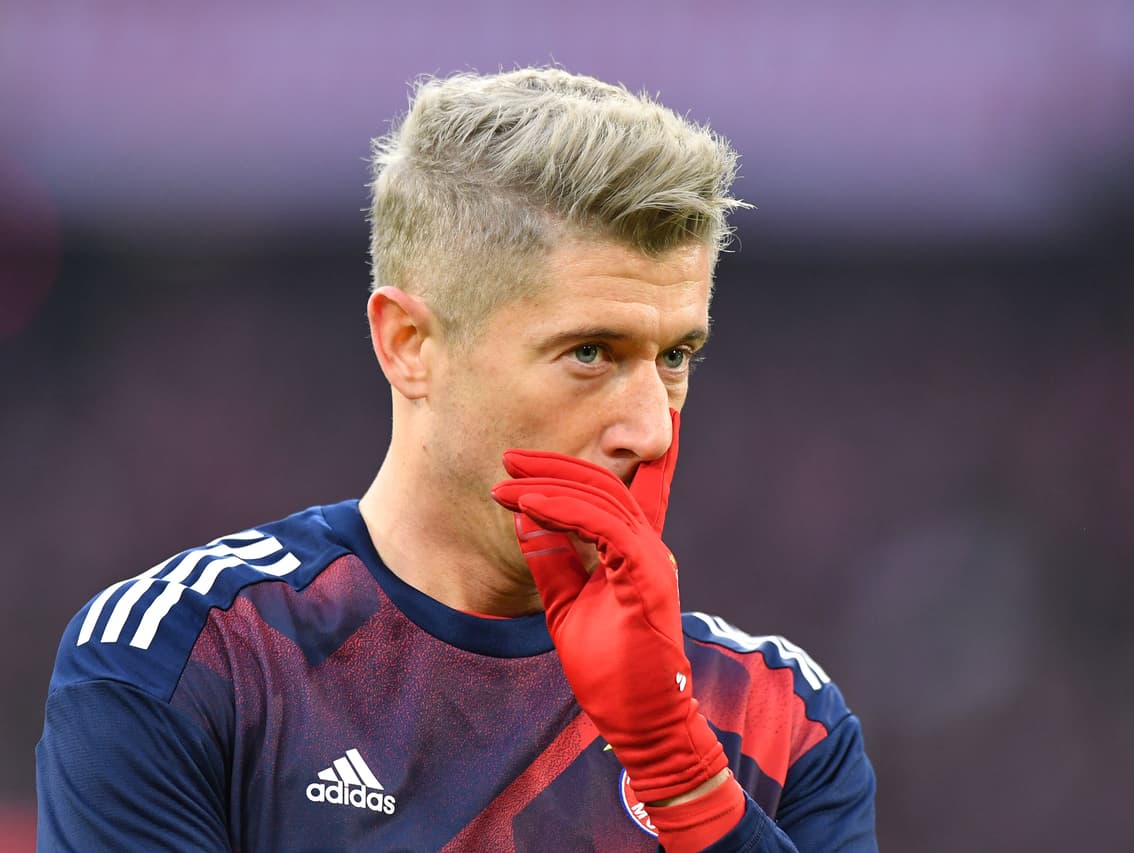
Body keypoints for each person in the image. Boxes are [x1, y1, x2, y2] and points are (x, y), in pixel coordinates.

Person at [36, 68, 877, 851]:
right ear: (409, 344)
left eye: (676, 356)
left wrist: (681, 770)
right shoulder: (185, 657)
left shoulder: (778, 715)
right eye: (590, 352)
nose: (652, 429)